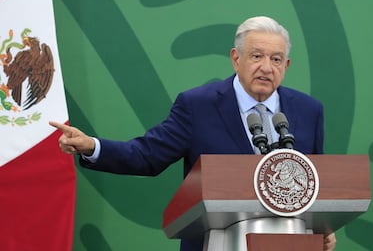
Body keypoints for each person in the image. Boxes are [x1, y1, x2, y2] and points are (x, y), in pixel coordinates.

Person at [50, 16, 336, 251]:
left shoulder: (309, 110)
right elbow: (146, 156)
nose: (266, 67)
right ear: (236, 59)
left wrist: (322, 228)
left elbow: (314, 185)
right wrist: (91, 147)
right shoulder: (198, 105)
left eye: (276, 59)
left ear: (286, 66)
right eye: (257, 56)